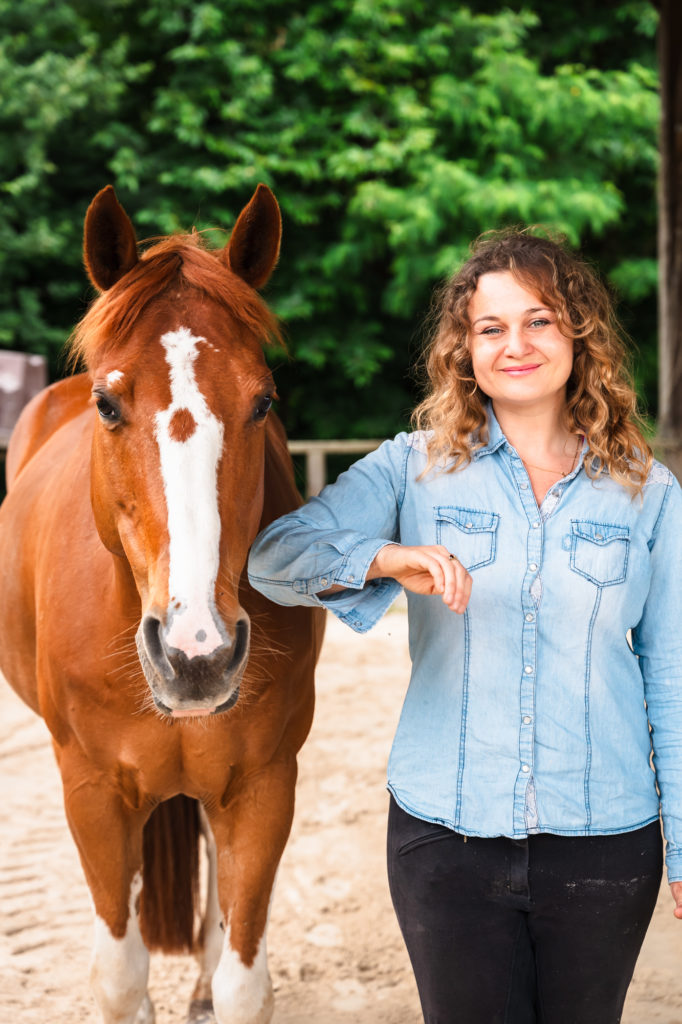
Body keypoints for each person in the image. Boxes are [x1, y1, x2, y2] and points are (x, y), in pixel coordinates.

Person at [247, 229, 682, 1023]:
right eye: (491, 328)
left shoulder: (648, 495)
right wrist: (383, 558)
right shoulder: (411, 468)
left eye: (540, 320)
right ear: (465, 349)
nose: (515, 344)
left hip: (606, 842)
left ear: (578, 334)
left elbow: (673, 675)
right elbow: (273, 560)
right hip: (444, 841)